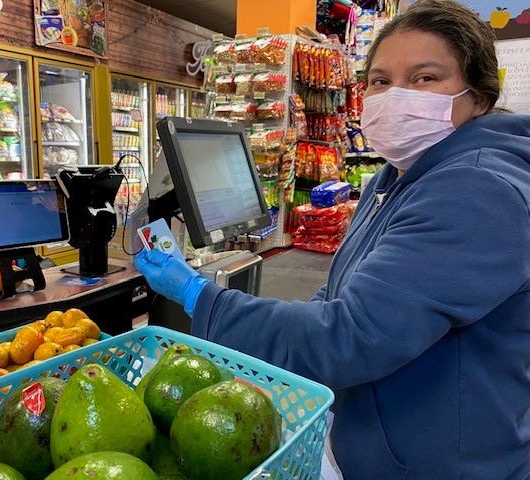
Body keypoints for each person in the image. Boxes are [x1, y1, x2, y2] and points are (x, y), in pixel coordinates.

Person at [135, 1, 530, 479]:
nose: (397, 96)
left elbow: (348, 336)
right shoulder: (396, 178)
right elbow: (337, 295)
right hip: (386, 441)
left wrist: (200, 297)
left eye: (425, 78)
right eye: (381, 80)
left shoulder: (476, 191)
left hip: (444, 462)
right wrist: (276, 367)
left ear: (480, 95)